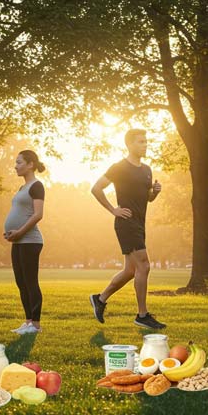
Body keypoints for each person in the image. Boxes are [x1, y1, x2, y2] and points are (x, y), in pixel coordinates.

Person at [90, 129, 166, 329]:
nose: (145, 145)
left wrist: (155, 193)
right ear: (130, 144)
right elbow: (96, 188)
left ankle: (100, 299)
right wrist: (112, 209)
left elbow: (146, 197)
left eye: (146, 141)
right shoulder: (119, 168)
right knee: (145, 266)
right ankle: (142, 315)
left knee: (131, 270)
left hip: (140, 223)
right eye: (141, 142)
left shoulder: (147, 170)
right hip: (126, 222)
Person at [4, 150, 46, 334]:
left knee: (30, 281)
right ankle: (28, 322)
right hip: (19, 241)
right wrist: (13, 234)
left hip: (30, 241)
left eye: (19, 162)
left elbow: (38, 215)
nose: (16, 165)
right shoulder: (23, 188)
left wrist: (19, 232)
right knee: (21, 282)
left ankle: (36, 325)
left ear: (30, 164)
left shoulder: (37, 186)